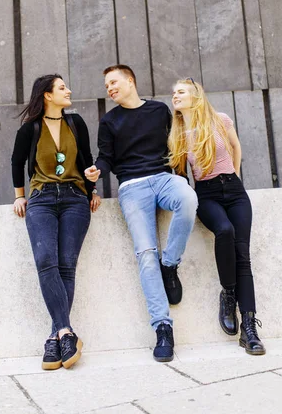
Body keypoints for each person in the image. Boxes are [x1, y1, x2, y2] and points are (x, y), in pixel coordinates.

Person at [85, 65, 197, 363]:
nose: (109, 88)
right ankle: (162, 327)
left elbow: (176, 145)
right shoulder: (109, 121)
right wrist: (98, 171)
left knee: (187, 197)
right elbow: (106, 157)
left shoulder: (159, 111)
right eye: (106, 85)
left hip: (163, 177)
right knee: (146, 252)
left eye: (113, 82)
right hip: (132, 187)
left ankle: (170, 264)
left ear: (130, 80)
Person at [168, 78, 265, 356]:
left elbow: (235, 148)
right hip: (206, 194)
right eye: (173, 93)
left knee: (242, 256)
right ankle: (229, 293)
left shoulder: (220, 119)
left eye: (181, 91)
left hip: (234, 190)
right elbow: (180, 173)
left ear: (195, 95)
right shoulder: (179, 133)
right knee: (224, 230)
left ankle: (250, 330)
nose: (175, 96)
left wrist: (234, 177)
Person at [11, 74, 101, 370]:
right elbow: (16, 161)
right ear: (47, 95)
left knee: (66, 265)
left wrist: (93, 188)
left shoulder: (76, 124)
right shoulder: (30, 129)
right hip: (41, 199)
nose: (69, 90)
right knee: (46, 260)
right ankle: (65, 331)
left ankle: (55, 336)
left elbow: (87, 158)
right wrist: (19, 196)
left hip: (75, 198)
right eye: (62, 87)